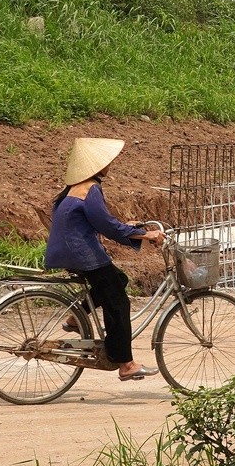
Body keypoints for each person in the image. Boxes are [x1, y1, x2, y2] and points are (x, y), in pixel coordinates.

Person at [44, 138, 165, 381]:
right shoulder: (91, 189)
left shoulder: (74, 189)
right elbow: (107, 226)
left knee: (117, 280)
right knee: (118, 303)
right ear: (96, 166)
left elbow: (99, 221)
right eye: (106, 161)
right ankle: (126, 363)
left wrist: (129, 228)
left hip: (67, 250)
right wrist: (145, 234)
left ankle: (74, 318)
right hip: (80, 252)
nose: (110, 164)